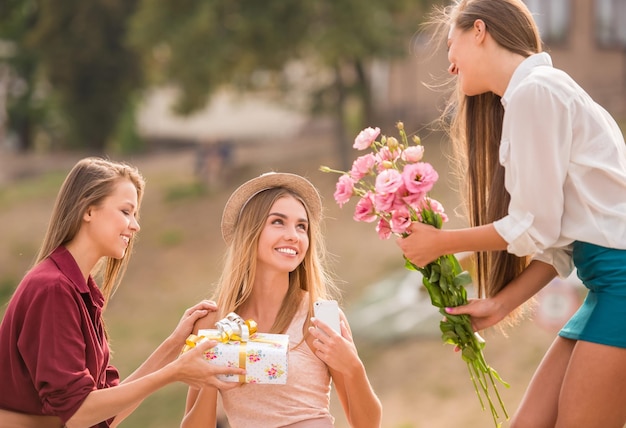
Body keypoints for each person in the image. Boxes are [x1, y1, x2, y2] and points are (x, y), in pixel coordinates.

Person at [396, 1, 626, 427]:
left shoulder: (536, 92)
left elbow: (533, 227)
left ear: (479, 30)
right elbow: (558, 242)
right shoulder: (536, 93)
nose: (449, 63)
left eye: (451, 45)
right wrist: (501, 304)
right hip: (606, 286)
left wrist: (441, 243)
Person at [0, 157, 244, 428]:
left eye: (135, 215)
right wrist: (173, 372)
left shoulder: (79, 292)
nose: (135, 225)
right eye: (126, 211)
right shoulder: (53, 289)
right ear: (88, 211)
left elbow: (105, 415)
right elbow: (78, 414)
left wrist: (174, 345)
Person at [181, 172, 382, 428]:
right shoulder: (214, 323)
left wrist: (354, 367)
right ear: (250, 232)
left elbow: (368, 424)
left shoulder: (320, 317)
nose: (293, 236)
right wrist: (212, 373)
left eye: (302, 226)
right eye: (278, 222)